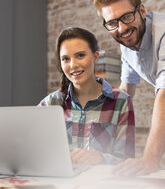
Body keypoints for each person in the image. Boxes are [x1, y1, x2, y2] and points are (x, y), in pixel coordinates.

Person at [94, 0, 165, 176]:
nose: (122, 28)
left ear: (142, 10)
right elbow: (126, 90)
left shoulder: (163, 31)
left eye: (127, 16)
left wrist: (150, 158)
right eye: (112, 23)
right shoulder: (126, 43)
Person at [38, 27, 135, 165]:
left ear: (95, 57)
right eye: (65, 59)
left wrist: (101, 158)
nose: (73, 65)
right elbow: (34, 152)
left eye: (80, 55)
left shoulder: (121, 101)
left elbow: (127, 161)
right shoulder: (50, 103)